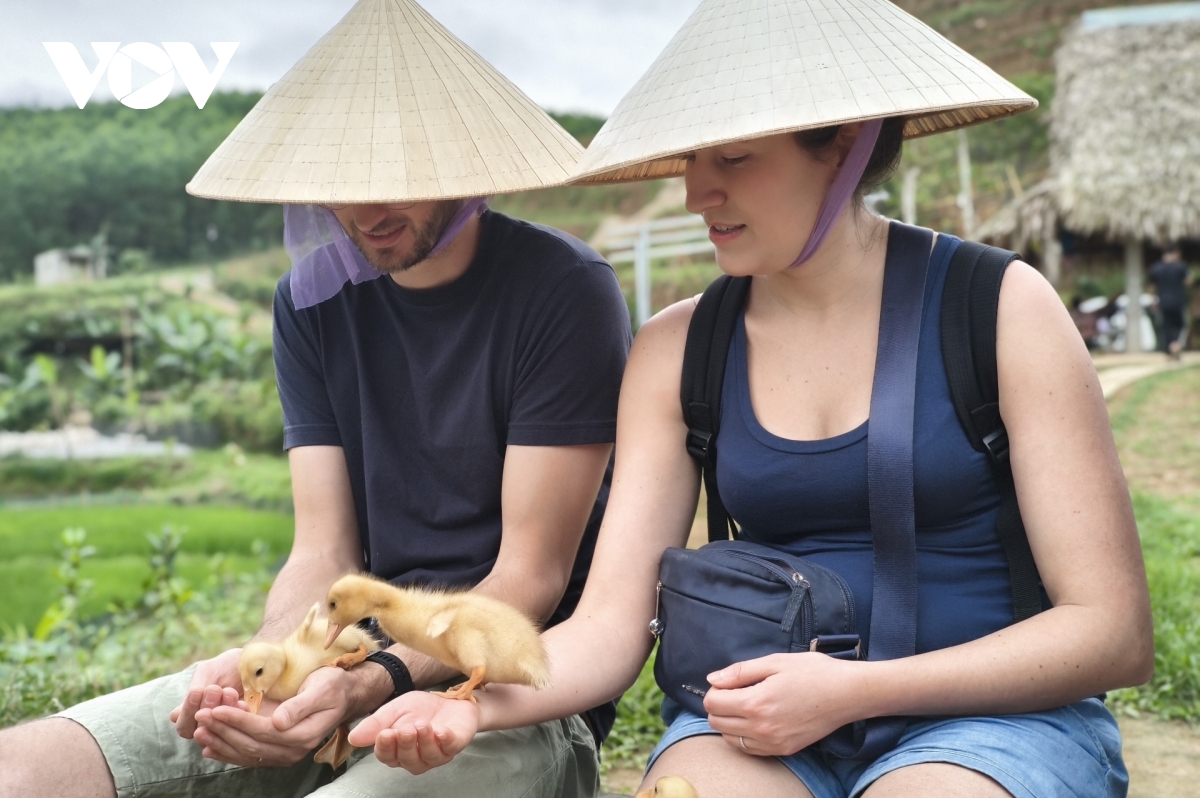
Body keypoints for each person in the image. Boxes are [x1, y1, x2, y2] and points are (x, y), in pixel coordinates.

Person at [350, 1, 1154, 797]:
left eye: (732, 159)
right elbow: (606, 626)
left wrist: (858, 690)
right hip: (755, 723)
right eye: (690, 159)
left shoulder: (1002, 309)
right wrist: (467, 705)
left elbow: (1111, 632)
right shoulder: (678, 349)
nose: (698, 192)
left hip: (997, 721)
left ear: (844, 145)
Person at [0, 1, 629, 797]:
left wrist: (374, 683)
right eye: (341, 181)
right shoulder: (310, 302)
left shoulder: (563, 292)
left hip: (505, 694)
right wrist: (271, 670)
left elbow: (527, 578)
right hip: (346, 662)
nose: (366, 213)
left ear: (463, 159)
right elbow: (322, 552)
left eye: (397, 177)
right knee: (22, 771)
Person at [1148, 245, 1193, 358]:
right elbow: (1188, 282)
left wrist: (1153, 300)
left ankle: (1168, 351)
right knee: (1181, 325)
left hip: (1163, 302)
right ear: (1176, 253)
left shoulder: (1156, 268)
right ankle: (1176, 344)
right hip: (1178, 301)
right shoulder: (1180, 266)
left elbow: (1152, 288)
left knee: (1166, 326)